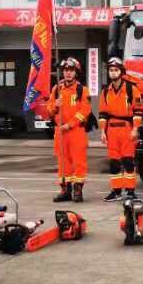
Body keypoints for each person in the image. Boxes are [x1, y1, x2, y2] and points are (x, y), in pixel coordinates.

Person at [98, 57, 143, 202]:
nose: (113, 73)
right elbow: (103, 114)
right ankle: (116, 191)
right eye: (111, 70)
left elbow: (138, 111)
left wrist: (135, 129)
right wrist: (102, 131)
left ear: (121, 72)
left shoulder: (132, 89)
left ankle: (130, 191)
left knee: (128, 161)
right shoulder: (105, 92)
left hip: (127, 129)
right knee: (114, 162)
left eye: (116, 70)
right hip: (111, 130)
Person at [47, 57, 91, 203]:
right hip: (60, 132)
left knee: (78, 162)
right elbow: (49, 110)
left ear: (76, 72)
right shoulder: (56, 89)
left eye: (71, 70)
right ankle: (65, 190)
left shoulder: (82, 90)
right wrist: (55, 105)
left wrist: (70, 124)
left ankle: (78, 190)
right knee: (63, 162)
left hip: (76, 131)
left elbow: (85, 111)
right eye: (65, 70)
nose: (68, 73)